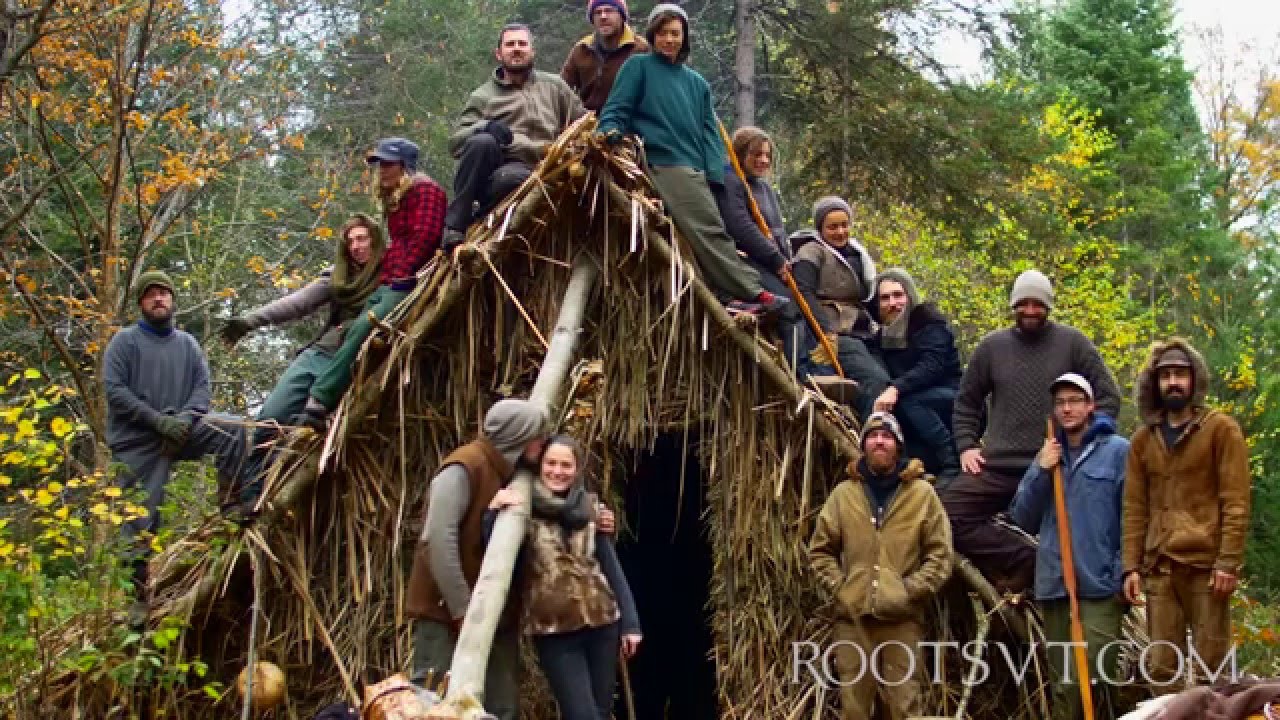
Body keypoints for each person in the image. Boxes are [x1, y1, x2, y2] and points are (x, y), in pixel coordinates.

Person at [597, 3, 789, 317]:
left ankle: (727, 294)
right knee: (709, 229)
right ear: (653, 35)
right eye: (662, 33)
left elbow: (710, 133)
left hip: (698, 168)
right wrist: (610, 131)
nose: (669, 40)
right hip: (665, 161)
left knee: (720, 229)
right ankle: (754, 291)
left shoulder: (696, 83)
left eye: (675, 33)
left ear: (684, 38)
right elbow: (616, 108)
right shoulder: (639, 67)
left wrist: (716, 175)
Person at [942, 269, 1121, 593]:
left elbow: (1108, 396)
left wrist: (1084, 443)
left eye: (1038, 304)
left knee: (1083, 528)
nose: (1030, 310)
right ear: (1013, 305)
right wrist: (967, 445)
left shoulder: (1073, 344)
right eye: (1023, 303)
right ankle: (1024, 559)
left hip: (1054, 465)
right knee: (947, 514)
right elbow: (966, 402)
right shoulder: (992, 347)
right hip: (997, 466)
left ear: (1049, 306)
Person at [104, 270, 248, 606]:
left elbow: (201, 388)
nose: (159, 298)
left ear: (172, 299)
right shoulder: (124, 342)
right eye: (151, 294)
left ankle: (233, 507)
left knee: (235, 429)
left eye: (164, 293)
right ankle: (136, 606)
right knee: (139, 520)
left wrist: (184, 419)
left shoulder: (187, 344)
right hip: (139, 442)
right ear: (141, 301)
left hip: (183, 430)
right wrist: (157, 422)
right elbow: (115, 391)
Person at [220, 214, 385, 503]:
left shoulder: (392, 273)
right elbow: (297, 303)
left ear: (375, 239)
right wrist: (251, 321)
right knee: (271, 416)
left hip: (359, 364)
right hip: (320, 354)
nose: (356, 247)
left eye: (362, 238)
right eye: (350, 241)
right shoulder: (338, 277)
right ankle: (250, 495)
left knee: (306, 433)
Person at [406, 399, 548, 720]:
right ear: (519, 436)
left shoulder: (508, 471)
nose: (542, 444)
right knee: (433, 699)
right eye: (536, 436)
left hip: (492, 613)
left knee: (500, 707)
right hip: (447, 611)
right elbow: (437, 540)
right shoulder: (464, 468)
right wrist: (462, 608)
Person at [1121, 338, 1250, 691]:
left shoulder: (1220, 430)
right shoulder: (1143, 440)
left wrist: (1228, 562)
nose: (1173, 382)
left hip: (1207, 568)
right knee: (1162, 669)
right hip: (1160, 568)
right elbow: (1134, 508)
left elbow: (1235, 502)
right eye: (1165, 376)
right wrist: (1131, 567)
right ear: (1155, 384)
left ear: (1194, 380)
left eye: (1180, 374)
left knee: (1214, 670)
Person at [809, 412, 953, 720]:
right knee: (855, 710)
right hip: (853, 623)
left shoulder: (922, 495)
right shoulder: (843, 495)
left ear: (898, 446)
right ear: (863, 445)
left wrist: (907, 591)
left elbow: (941, 556)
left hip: (902, 623)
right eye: (872, 436)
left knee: (904, 708)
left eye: (886, 436)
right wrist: (843, 588)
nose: (879, 441)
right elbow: (819, 552)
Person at [487, 435, 641, 720]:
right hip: (555, 631)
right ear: (540, 465)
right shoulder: (522, 510)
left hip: (603, 623)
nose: (557, 471)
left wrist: (630, 623)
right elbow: (496, 554)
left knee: (601, 711)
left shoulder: (590, 508)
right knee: (582, 714)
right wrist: (493, 513)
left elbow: (610, 566)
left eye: (566, 465)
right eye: (551, 463)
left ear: (577, 469)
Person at [295, 138, 445, 428]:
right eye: (380, 164)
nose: (382, 170)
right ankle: (325, 406)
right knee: (352, 330)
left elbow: (424, 238)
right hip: (391, 281)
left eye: (388, 163)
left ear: (405, 165)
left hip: (407, 282)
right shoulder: (398, 197)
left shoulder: (425, 191)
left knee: (365, 328)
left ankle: (321, 398)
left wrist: (402, 278)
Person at [1010, 373, 1128, 720]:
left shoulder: (1118, 451)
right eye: (1061, 402)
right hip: (1055, 585)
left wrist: (1122, 572)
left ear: (1091, 405)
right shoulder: (1049, 454)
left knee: (1095, 678)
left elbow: (1134, 516)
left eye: (1075, 400)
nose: (1067, 408)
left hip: (1099, 585)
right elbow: (1022, 517)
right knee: (1063, 685)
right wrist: (1040, 470)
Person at [443, 24, 586, 250]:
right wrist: (485, 126)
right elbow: (455, 143)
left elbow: (582, 122)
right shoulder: (483, 96)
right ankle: (455, 226)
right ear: (499, 53)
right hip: (505, 167)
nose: (516, 49)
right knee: (482, 143)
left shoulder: (554, 86)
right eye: (510, 44)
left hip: (550, 163)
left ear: (532, 51)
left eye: (522, 44)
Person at [714, 126, 806, 368]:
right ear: (741, 153)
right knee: (789, 309)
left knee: (804, 306)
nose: (763, 160)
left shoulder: (763, 187)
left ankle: (812, 366)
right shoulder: (731, 179)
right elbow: (741, 227)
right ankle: (799, 371)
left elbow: (777, 230)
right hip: (749, 260)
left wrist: (786, 261)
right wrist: (775, 259)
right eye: (757, 154)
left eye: (767, 155)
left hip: (773, 262)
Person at [790, 196, 884, 410]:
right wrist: (826, 332)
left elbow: (868, 298)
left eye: (844, 225)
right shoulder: (810, 252)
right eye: (832, 227)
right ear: (820, 228)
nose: (840, 232)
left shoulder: (857, 254)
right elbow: (803, 292)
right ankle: (871, 432)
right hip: (837, 332)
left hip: (864, 330)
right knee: (874, 380)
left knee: (889, 380)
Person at [867, 269, 962, 480]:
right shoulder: (882, 337)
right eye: (885, 298)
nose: (893, 303)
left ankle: (951, 461)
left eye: (898, 295)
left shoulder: (930, 324)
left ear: (909, 296)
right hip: (919, 410)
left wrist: (896, 388)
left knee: (908, 401)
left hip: (952, 399)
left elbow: (932, 366)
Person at [561, 0, 649, 113]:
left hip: (628, 123)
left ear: (622, 15)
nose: (603, 16)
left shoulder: (641, 49)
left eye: (609, 11)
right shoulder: (581, 49)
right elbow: (561, 88)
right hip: (587, 123)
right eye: (597, 12)